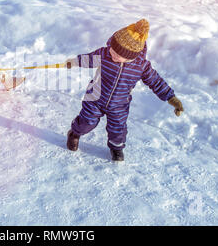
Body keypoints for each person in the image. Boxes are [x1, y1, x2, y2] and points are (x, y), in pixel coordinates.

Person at [65, 19, 184, 161]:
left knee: (118, 129)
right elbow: (89, 59)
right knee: (87, 122)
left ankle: (116, 148)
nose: (112, 54)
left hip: (119, 104)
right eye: (112, 49)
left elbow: (156, 81)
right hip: (95, 97)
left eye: (117, 54)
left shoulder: (141, 66)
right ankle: (74, 133)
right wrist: (73, 62)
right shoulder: (105, 54)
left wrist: (171, 98)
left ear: (130, 56)